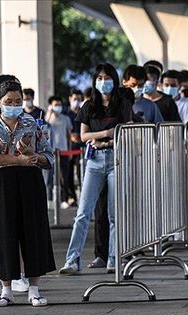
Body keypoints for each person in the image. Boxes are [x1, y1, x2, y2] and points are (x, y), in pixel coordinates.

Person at [0, 77, 56, 307]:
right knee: (3, 234)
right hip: (2, 181)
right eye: (9, 100)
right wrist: (17, 159)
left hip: (30, 180)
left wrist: (32, 156)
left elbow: (47, 156)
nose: (14, 104)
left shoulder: (32, 122)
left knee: (33, 232)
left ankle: (34, 289)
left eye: (18, 100)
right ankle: (6, 289)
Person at [59, 63, 133, 275]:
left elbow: (126, 131)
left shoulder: (123, 104)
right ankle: (72, 260)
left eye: (107, 77)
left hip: (117, 160)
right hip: (94, 161)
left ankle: (113, 258)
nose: (103, 82)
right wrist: (107, 134)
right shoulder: (89, 105)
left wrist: (107, 140)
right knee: (83, 212)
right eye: (99, 78)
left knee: (114, 214)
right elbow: (84, 136)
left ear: (114, 80)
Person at [44, 96, 73, 205]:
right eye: (56, 105)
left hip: (64, 150)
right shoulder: (48, 118)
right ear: (51, 105)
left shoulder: (66, 118)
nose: (58, 107)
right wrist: (49, 113)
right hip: (51, 151)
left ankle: (64, 199)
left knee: (64, 176)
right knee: (50, 177)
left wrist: (69, 150)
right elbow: (44, 127)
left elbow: (68, 135)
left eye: (59, 104)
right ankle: (49, 199)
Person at [62, 89, 84, 207]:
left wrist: (80, 137)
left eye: (79, 99)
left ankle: (83, 197)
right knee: (68, 174)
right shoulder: (65, 113)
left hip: (82, 147)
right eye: (75, 99)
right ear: (70, 99)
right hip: (68, 147)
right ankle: (71, 197)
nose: (77, 101)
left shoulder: (83, 112)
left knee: (82, 172)